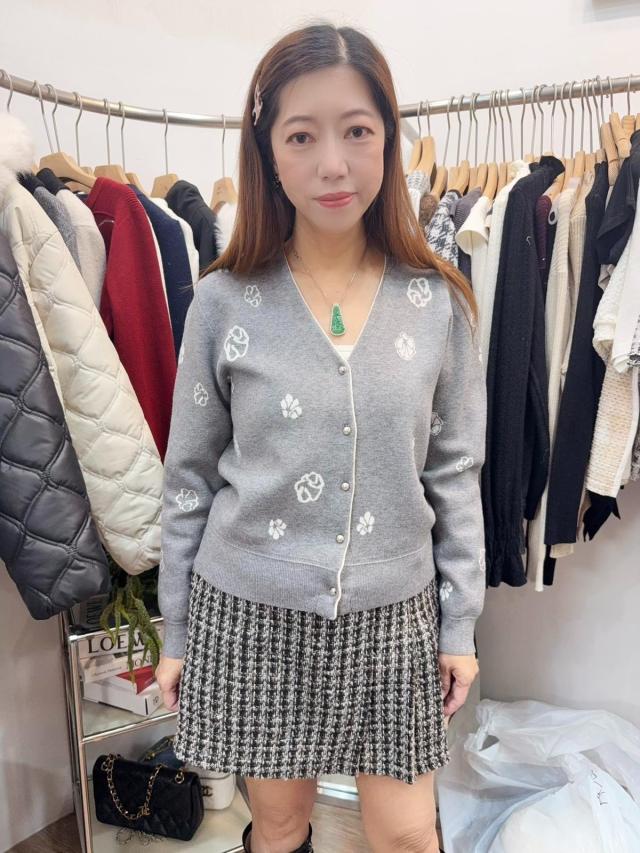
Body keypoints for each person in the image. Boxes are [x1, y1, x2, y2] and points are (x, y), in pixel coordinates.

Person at [155, 20, 486, 853]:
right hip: (252, 613)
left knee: (408, 832)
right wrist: (177, 631)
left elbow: (454, 472)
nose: (332, 164)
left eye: (358, 131)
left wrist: (459, 625)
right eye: (301, 136)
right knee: (278, 822)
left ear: (389, 141)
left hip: (395, 616)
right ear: (267, 152)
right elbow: (189, 478)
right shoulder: (222, 301)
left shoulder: (435, 302)